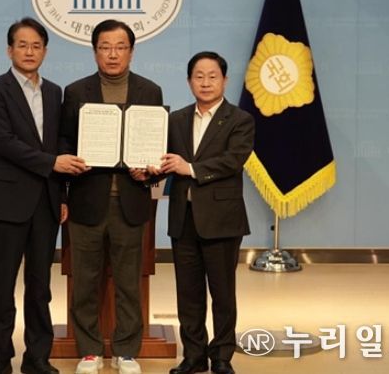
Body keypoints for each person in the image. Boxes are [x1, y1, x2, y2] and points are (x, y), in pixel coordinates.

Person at [0, 17, 88, 374]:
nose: (29, 51)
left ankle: (38, 356)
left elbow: (60, 143)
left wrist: (64, 195)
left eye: (36, 45)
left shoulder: (55, 93)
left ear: (45, 51)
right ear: (9, 50)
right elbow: (3, 143)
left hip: (46, 202)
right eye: (22, 45)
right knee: (1, 284)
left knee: (40, 286)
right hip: (5, 201)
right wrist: (52, 163)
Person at [60, 19, 163, 374]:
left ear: (131, 52)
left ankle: (126, 351)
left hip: (131, 201)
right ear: (95, 52)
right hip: (87, 199)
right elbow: (64, 140)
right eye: (105, 47)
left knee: (128, 281)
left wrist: (150, 170)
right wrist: (70, 161)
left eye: (120, 47)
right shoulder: (76, 91)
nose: (113, 54)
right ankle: (89, 350)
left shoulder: (150, 91)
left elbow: (157, 145)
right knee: (85, 281)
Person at [158, 51, 254, 374]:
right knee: (188, 293)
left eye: (213, 76)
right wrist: (148, 168)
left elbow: (233, 160)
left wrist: (190, 168)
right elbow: (164, 159)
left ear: (224, 80)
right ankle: (193, 356)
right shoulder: (176, 119)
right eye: (198, 76)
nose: (205, 82)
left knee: (222, 293)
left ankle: (222, 356)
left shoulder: (240, 120)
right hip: (183, 219)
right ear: (189, 81)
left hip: (222, 220)